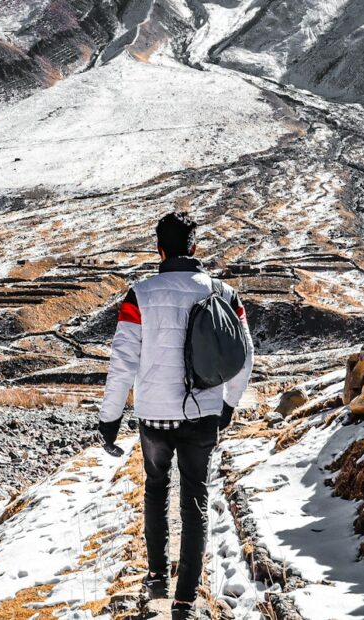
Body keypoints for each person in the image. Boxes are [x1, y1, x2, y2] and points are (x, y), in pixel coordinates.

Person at [97, 212, 254, 619]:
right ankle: (185, 597)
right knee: (195, 499)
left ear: (159, 250)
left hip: (154, 417)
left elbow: (122, 362)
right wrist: (228, 405)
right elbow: (245, 357)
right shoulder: (225, 294)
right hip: (203, 415)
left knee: (155, 489)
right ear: (195, 248)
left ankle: (156, 579)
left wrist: (110, 418)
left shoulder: (140, 294)